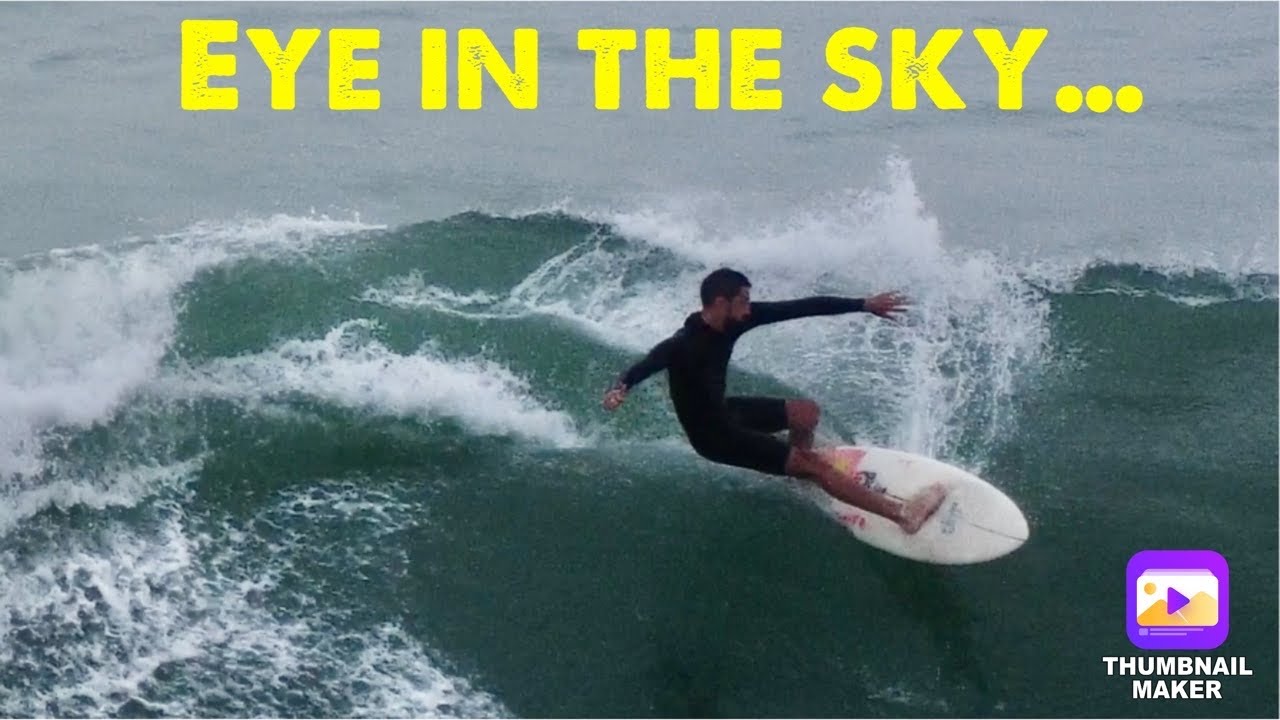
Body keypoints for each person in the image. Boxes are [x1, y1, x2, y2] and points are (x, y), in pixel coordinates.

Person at [602, 267, 948, 534]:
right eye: (743, 300)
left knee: (806, 413)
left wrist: (863, 304)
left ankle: (797, 470)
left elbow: (799, 308)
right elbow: (649, 362)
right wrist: (622, 387)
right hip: (713, 437)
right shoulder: (683, 344)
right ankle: (903, 514)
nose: (748, 308)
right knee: (816, 466)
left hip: (725, 411)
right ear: (721, 303)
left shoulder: (735, 322)